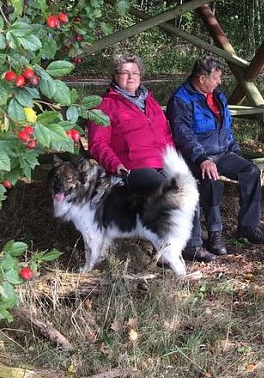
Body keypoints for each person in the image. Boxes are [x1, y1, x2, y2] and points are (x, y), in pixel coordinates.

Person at [87, 53, 218, 263]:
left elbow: (167, 136)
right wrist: (116, 165)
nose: (131, 77)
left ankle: (190, 244)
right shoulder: (105, 106)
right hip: (133, 166)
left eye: (135, 73)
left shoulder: (150, 101)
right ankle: (171, 251)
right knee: (167, 193)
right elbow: (97, 145)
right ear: (114, 76)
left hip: (162, 161)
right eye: (125, 73)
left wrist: (178, 160)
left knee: (186, 185)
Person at [167, 55, 264, 256]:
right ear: (201, 78)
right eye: (215, 78)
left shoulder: (218, 96)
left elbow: (225, 128)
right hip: (195, 157)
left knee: (250, 170)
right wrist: (202, 159)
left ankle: (248, 227)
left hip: (222, 153)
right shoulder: (180, 99)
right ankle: (215, 234)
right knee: (210, 179)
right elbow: (183, 135)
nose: (219, 82)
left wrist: (234, 149)